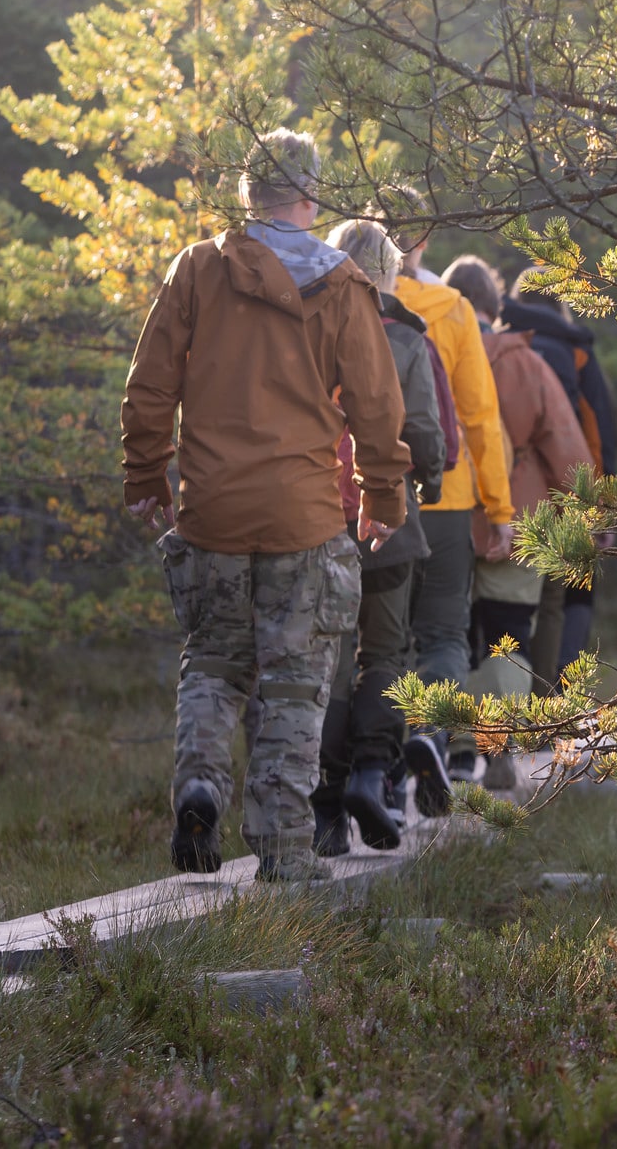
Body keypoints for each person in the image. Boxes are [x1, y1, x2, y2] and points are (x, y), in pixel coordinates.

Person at [121, 129, 410, 883]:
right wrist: (382, 494)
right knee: (293, 680)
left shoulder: (198, 269)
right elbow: (378, 406)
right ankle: (283, 849)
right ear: (311, 198)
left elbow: (150, 384)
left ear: (249, 195)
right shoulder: (345, 285)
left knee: (215, 663)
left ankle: (199, 787)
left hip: (211, 509)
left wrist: (147, 473)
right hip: (304, 518)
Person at [312, 219, 447, 856]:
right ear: (390, 273)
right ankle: (371, 773)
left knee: (326, 663)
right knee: (384, 656)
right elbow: (422, 431)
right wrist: (431, 477)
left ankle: (326, 810)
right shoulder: (406, 339)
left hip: (313, 515)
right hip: (387, 518)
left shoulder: (303, 327)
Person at [393, 229, 514, 797]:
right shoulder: (455, 310)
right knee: (442, 634)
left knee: (380, 642)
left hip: (372, 493)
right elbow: (479, 416)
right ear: (422, 242)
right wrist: (498, 506)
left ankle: (379, 773)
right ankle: (434, 737)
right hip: (447, 496)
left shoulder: (344, 296)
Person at [442, 255, 590, 674]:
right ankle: (500, 734)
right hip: (521, 519)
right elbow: (564, 443)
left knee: (448, 631)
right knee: (508, 635)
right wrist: (591, 516)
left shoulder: (434, 355)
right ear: (495, 306)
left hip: (445, 514)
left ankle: (450, 736)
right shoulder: (526, 363)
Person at [500, 270, 617, 691]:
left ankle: (500, 701)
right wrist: (600, 509)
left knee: (503, 601)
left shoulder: (499, 344)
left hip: (501, 494)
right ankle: (554, 697)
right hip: (567, 495)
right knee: (564, 598)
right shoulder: (577, 354)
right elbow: (598, 435)